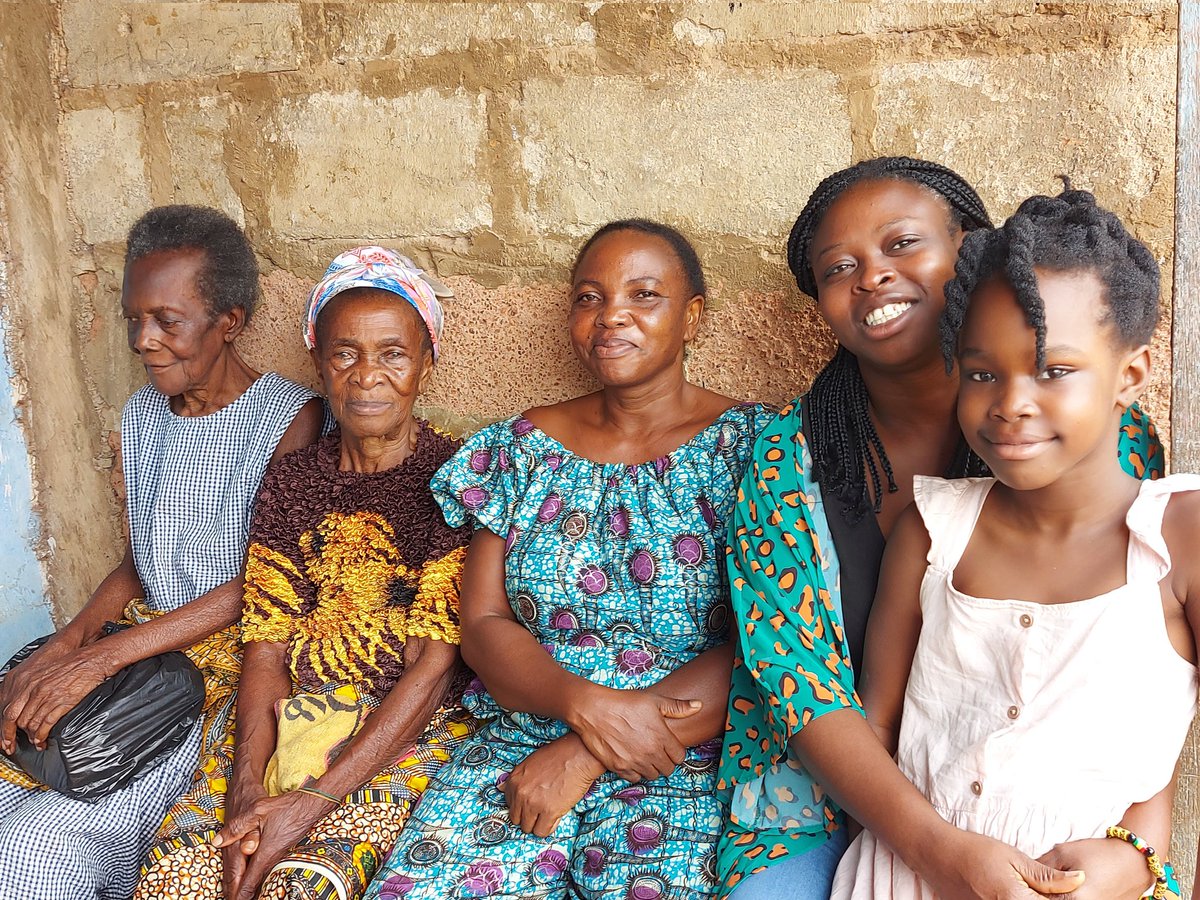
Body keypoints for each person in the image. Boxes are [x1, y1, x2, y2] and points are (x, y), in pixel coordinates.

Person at [717, 159, 1166, 899]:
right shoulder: (783, 460)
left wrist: (1141, 849)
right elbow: (799, 689)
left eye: (902, 244)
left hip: (1040, 813)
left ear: (972, 250)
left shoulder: (1092, 437)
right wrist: (940, 852)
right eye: (839, 267)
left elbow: (1142, 673)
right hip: (813, 805)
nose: (872, 277)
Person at [366, 219, 775, 900]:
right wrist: (580, 705)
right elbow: (486, 622)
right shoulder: (522, 449)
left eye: (644, 295)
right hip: (521, 740)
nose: (612, 315)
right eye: (590, 297)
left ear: (693, 317)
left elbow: (767, 638)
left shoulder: (755, 451)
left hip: (684, 755)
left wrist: (591, 748)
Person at [830, 186, 1198, 897]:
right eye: (981, 374)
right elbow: (874, 730)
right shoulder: (935, 531)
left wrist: (1139, 858)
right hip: (905, 876)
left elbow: (1165, 763)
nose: (1011, 403)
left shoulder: (1177, 537)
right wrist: (934, 851)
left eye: (1054, 370)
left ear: (1131, 376)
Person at [0, 205, 324, 899]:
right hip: (136, 645)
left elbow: (261, 584)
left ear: (229, 321)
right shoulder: (143, 414)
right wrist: (69, 642)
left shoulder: (289, 418)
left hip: (216, 673)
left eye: (166, 322)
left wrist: (101, 658)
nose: (144, 341)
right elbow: (137, 559)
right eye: (133, 321)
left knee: (36, 849)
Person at [134, 246, 474, 900]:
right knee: (177, 877)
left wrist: (306, 804)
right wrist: (249, 786)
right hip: (292, 717)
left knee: (307, 886)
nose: (368, 374)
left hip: (404, 732)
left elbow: (432, 670)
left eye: (393, 354)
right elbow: (265, 644)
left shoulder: (454, 480)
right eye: (345, 353)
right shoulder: (294, 481)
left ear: (425, 367)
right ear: (319, 364)